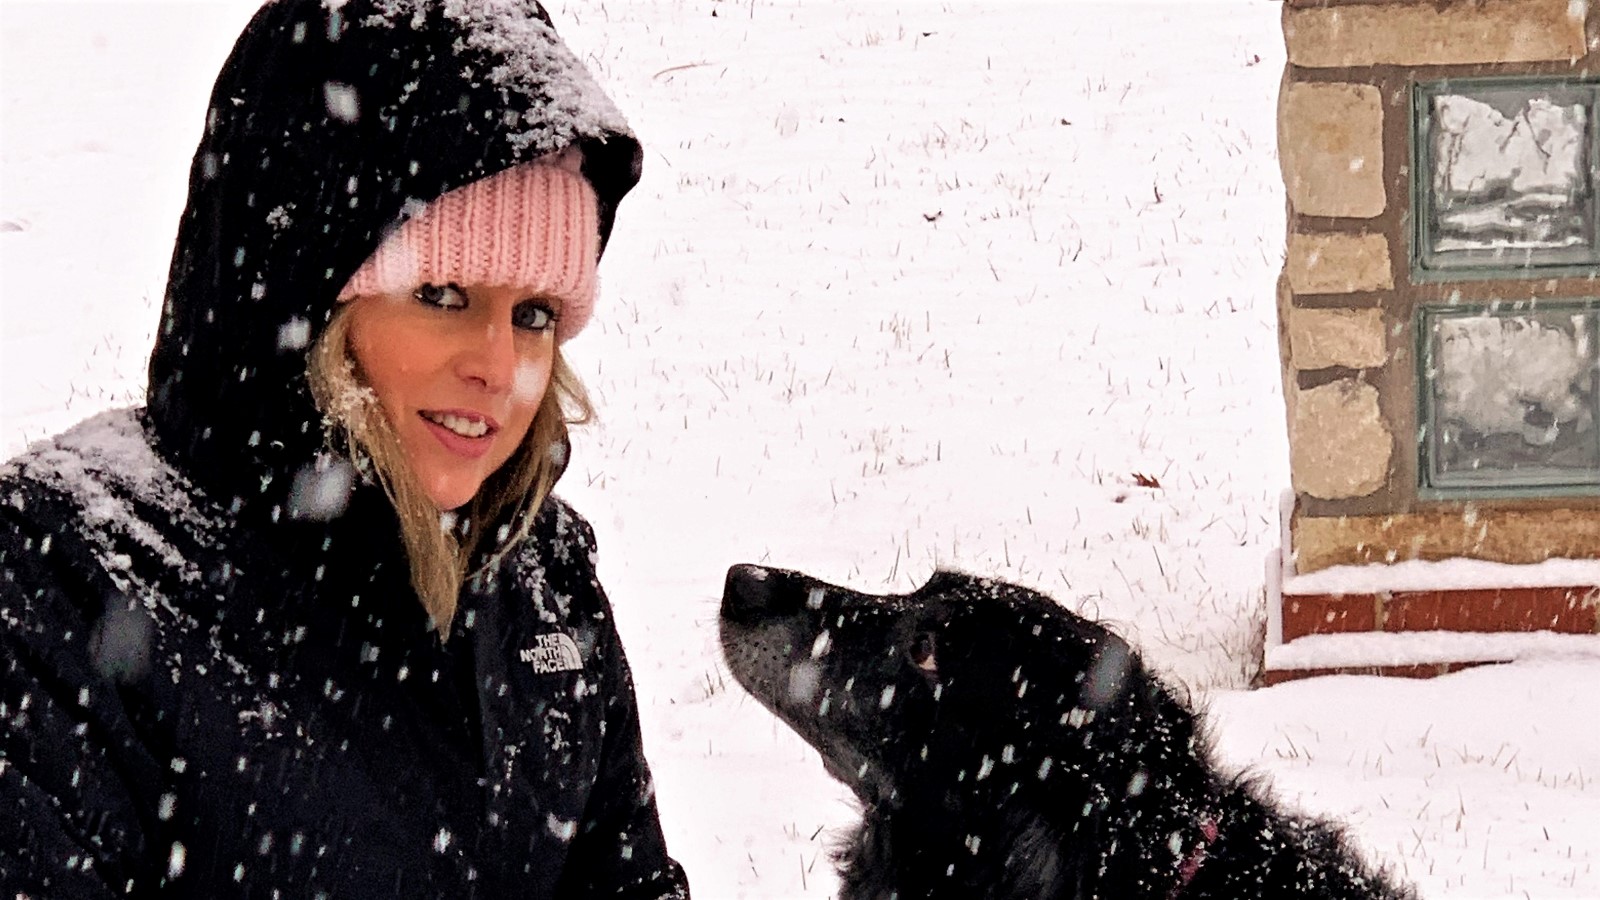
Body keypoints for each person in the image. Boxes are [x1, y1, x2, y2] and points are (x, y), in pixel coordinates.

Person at [0, 1, 689, 897]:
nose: (499, 365)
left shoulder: (539, 578)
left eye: (534, 315)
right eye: (444, 293)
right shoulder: (65, 580)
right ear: (306, 295)